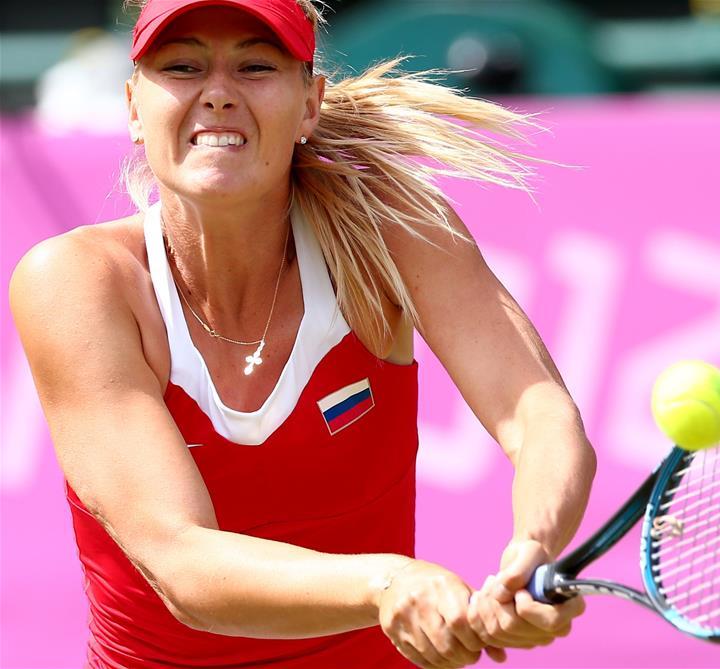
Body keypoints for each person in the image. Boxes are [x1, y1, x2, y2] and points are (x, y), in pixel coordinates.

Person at [9, 1, 597, 667]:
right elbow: (182, 561)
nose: (218, 94)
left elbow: (537, 412)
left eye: (256, 67)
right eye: (183, 67)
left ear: (309, 104)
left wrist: (532, 549)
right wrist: (389, 583)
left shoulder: (393, 230)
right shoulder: (76, 280)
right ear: (133, 108)